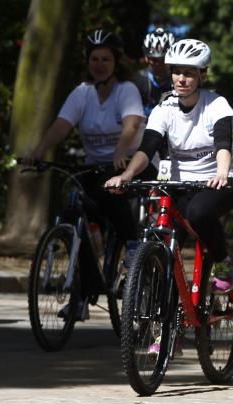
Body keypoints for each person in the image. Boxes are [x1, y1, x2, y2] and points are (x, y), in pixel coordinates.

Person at [24, 29, 152, 318]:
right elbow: (61, 125)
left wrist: (120, 151)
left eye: (106, 59)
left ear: (116, 62)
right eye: (94, 58)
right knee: (72, 217)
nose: (99, 64)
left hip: (127, 165)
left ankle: (132, 253)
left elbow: (131, 125)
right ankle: (83, 291)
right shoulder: (82, 93)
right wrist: (40, 150)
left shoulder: (126, 90)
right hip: (94, 167)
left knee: (117, 202)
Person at [106, 39, 233, 295]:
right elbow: (148, 147)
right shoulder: (164, 107)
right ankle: (163, 320)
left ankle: (223, 261)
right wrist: (127, 174)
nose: (181, 79)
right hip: (178, 183)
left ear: (202, 75)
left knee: (198, 213)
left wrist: (222, 172)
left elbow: (223, 142)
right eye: (177, 71)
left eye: (189, 73)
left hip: (216, 181)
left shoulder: (217, 105)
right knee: (160, 240)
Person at [132, 27, 175, 115]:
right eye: (154, 60)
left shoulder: (179, 81)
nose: (159, 64)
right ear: (146, 58)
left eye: (163, 59)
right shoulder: (138, 80)